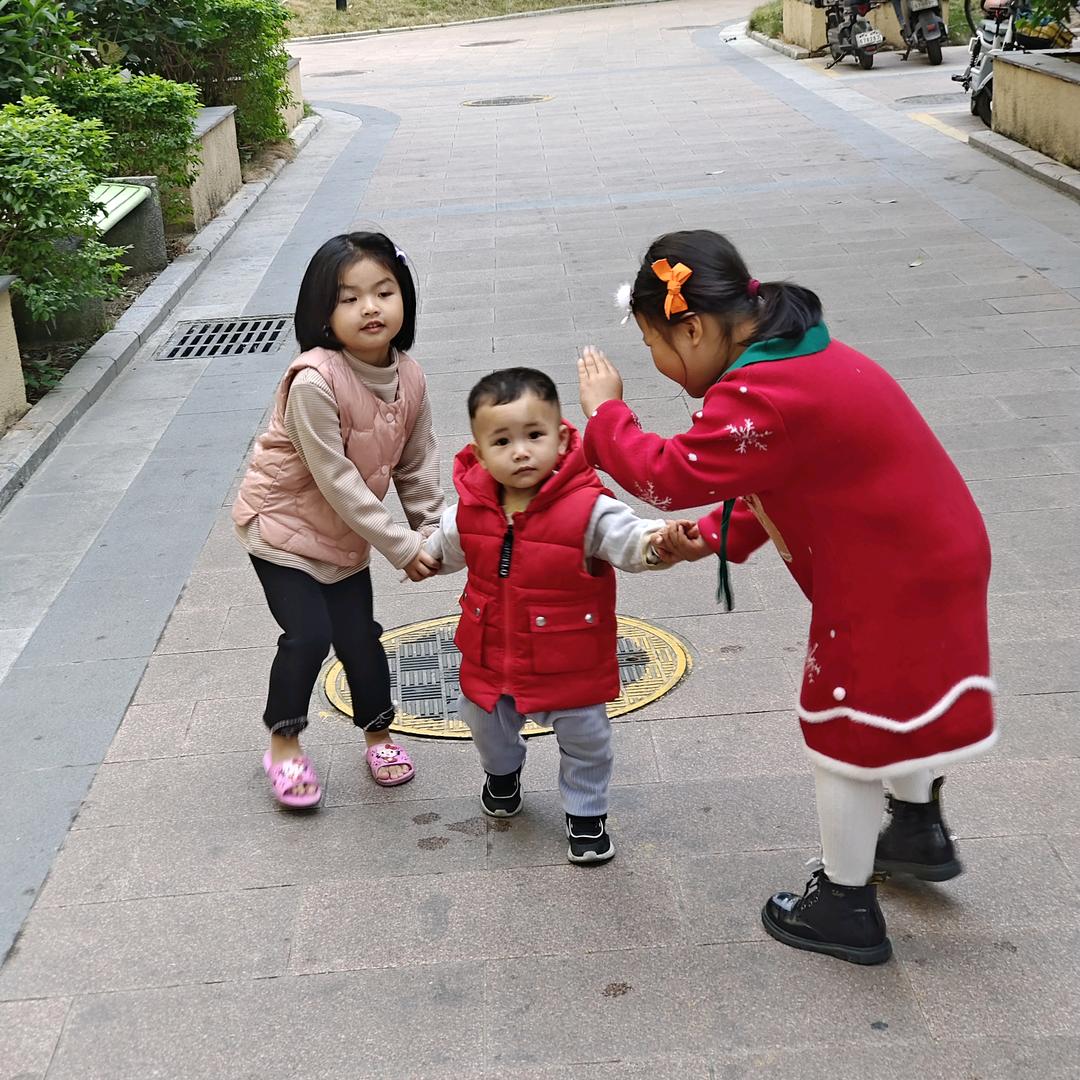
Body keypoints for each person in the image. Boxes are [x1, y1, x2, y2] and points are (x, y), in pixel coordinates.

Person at [576, 229, 996, 962]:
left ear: (694, 327)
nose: (658, 366)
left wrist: (607, 416)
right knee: (893, 709)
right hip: (934, 556)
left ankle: (844, 903)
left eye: (654, 347)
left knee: (842, 730)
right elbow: (781, 478)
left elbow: (666, 475)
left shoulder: (757, 391)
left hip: (886, 584)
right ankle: (916, 829)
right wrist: (710, 537)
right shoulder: (798, 357)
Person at [420, 367, 673, 864]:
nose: (520, 451)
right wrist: (421, 558)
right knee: (486, 727)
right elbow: (443, 550)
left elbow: (631, 540)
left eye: (534, 436)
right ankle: (502, 774)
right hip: (491, 656)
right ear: (478, 449)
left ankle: (585, 814)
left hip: (569, 659)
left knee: (587, 742)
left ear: (560, 439)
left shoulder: (588, 510)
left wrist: (661, 545)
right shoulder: (467, 511)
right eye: (502, 441)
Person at [233, 232, 443, 809]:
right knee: (310, 635)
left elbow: (418, 462)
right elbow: (339, 479)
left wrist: (431, 534)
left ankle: (379, 733)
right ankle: (283, 743)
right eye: (349, 298)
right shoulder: (313, 381)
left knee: (360, 639)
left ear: (405, 299)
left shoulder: (410, 375)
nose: (370, 308)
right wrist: (401, 547)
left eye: (384, 292)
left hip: (345, 534)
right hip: (281, 528)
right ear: (322, 311)